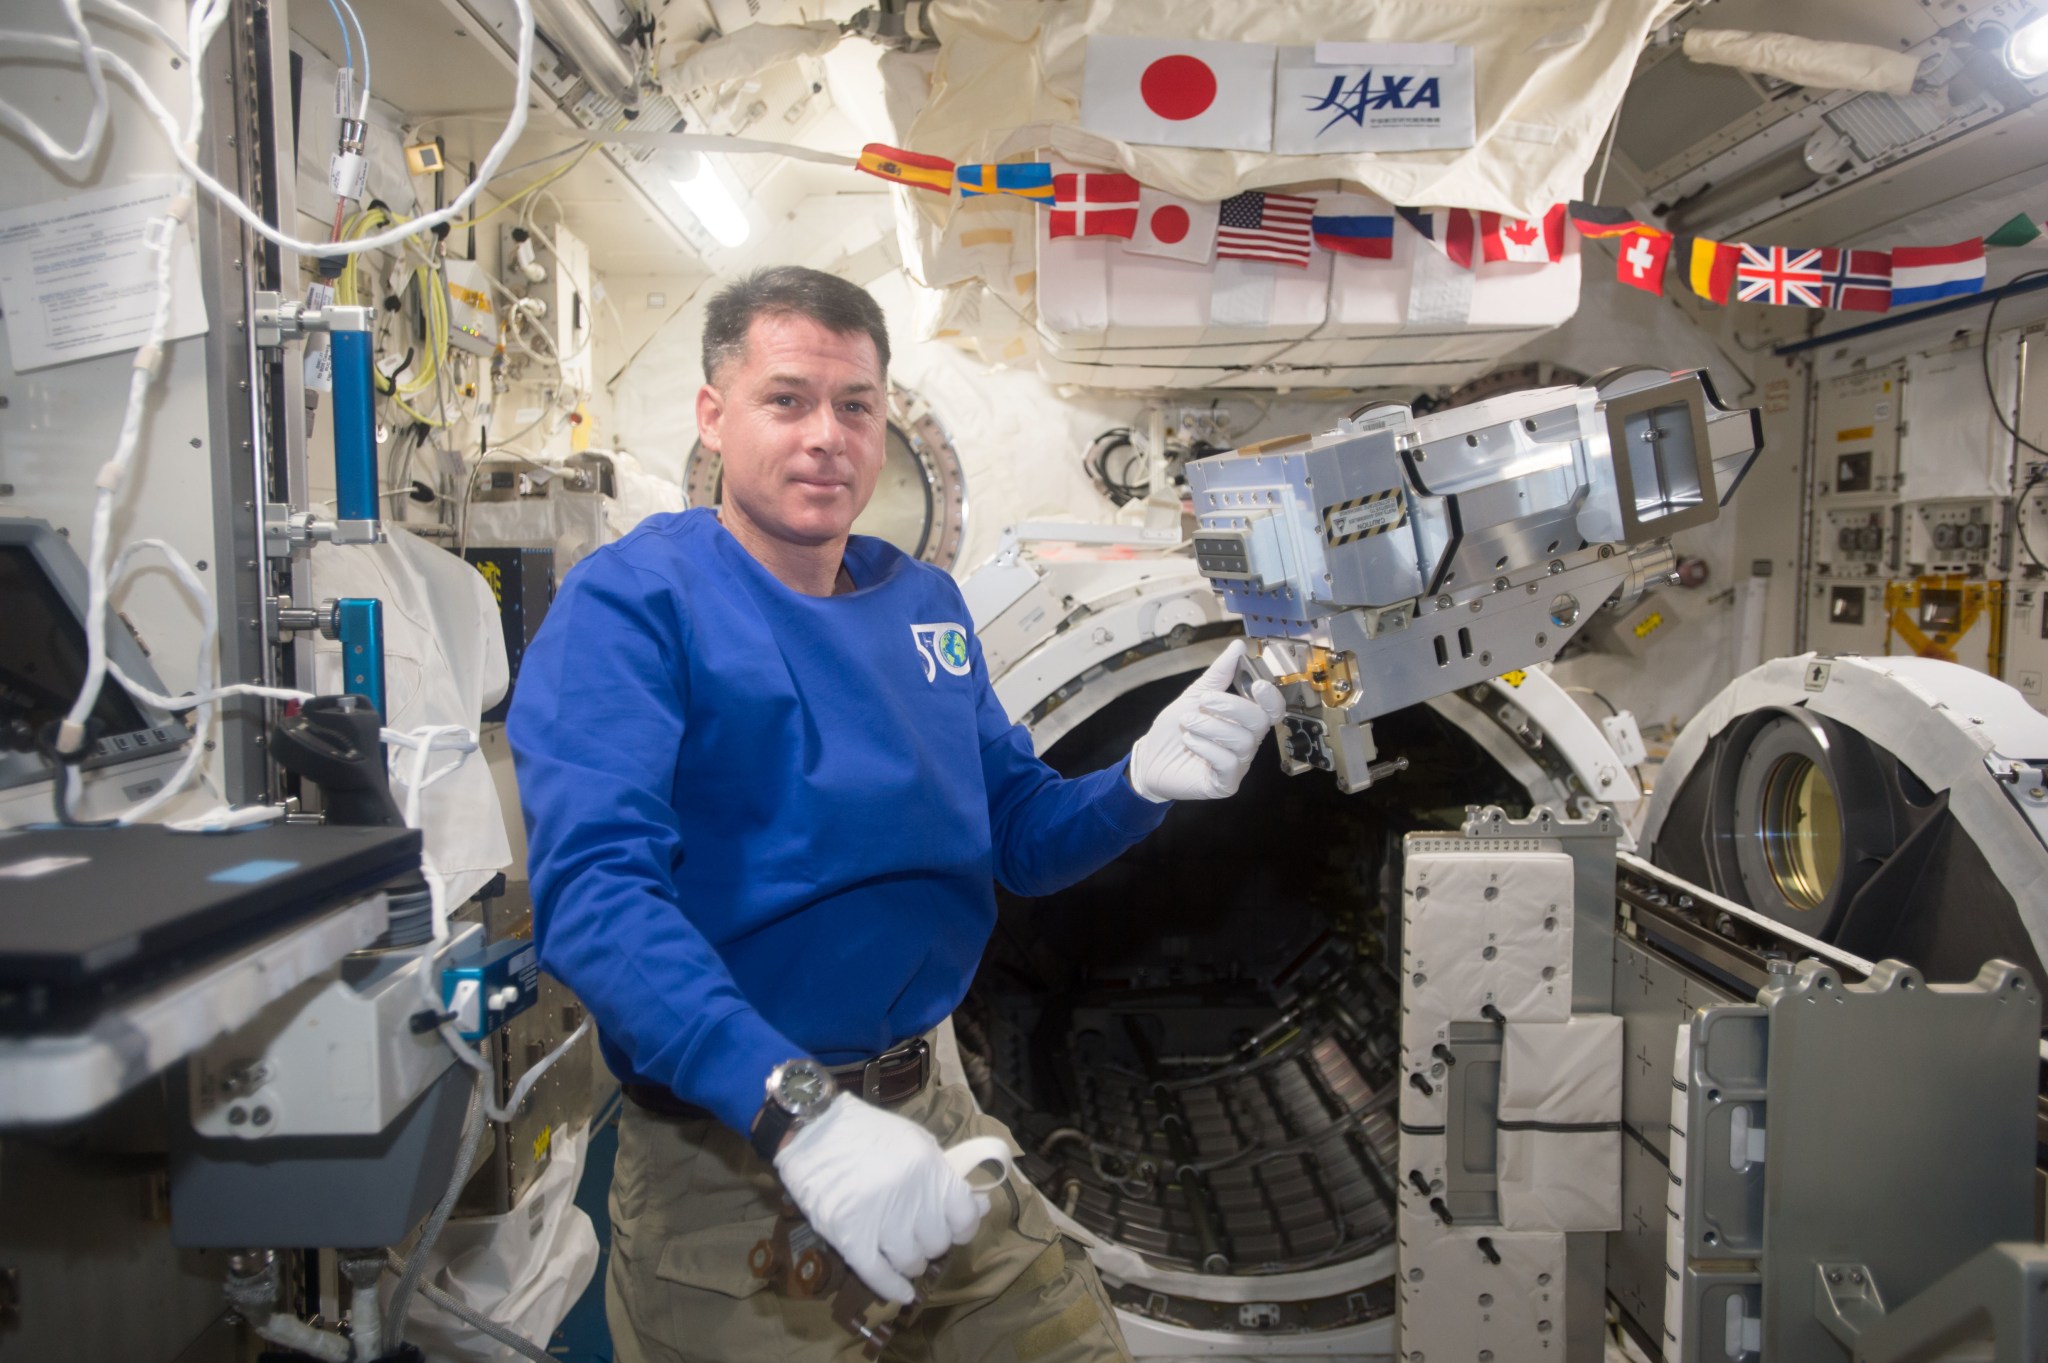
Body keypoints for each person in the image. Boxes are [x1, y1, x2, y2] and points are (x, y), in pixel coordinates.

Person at [508, 265, 1285, 1363]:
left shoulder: (921, 602)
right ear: (713, 416)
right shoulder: (634, 606)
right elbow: (594, 899)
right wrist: (796, 1112)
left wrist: (1138, 783)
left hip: (933, 1117)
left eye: (855, 406)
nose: (825, 434)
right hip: (736, 1155)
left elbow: (1017, 831)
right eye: (786, 400)